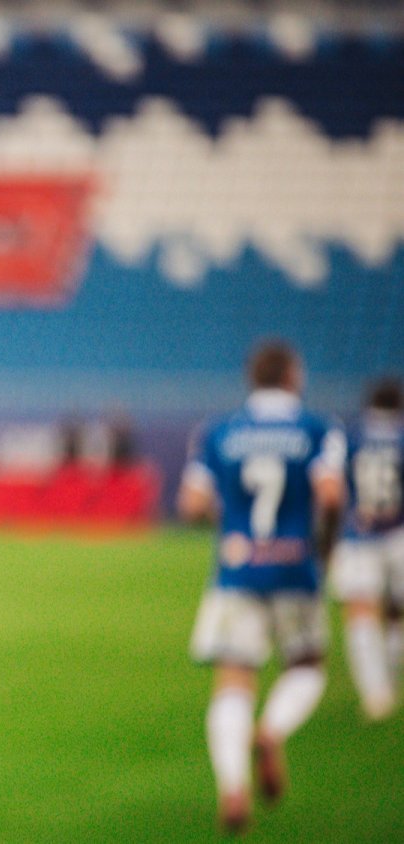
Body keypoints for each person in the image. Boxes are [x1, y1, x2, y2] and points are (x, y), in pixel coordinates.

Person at [178, 340, 344, 834]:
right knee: (307, 664)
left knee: (233, 677)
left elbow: (191, 505)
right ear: (293, 376)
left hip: (237, 570)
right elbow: (331, 496)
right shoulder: (318, 429)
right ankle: (271, 731)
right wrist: (324, 548)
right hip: (295, 566)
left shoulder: (219, 431)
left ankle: (233, 786)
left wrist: (231, 523)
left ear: (252, 378)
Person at [330, 377, 404, 721]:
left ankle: (376, 693)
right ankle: (392, 668)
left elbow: (334, 489)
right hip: (399, 532)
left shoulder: (350, 434)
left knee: (361, 611)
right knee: (396, 610)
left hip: (359, 535)